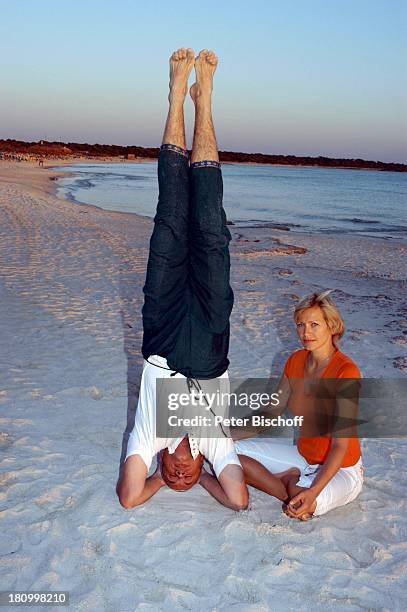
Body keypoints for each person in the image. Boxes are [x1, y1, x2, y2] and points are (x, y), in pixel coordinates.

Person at [116, 48, 248, 511]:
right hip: (212, 339)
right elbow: (239, 499)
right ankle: (205, 102)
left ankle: (176, 98)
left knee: (171, 216)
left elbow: (130, 498)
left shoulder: (148, 439)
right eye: (186, 479)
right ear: (200, 472)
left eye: (172, 477)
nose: (178, 474)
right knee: (211, 228)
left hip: (164, 334)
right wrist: (208, 480)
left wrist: (154, 480)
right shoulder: (217, 446)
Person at [235, 291, 364, 519]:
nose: (306, 332)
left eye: (315, 324)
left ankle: (290, 486)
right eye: (300, 325)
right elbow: (270, 412)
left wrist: (313, 491)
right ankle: (289, 483)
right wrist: (225, 435)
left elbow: (340, 446)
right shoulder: (295, 360)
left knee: (303, 503)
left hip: (341, 469)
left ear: (332, 326)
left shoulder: (346, 372)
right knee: (225, 453)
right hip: (303, 457)